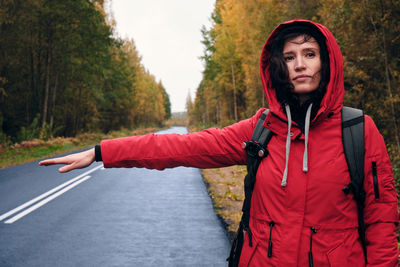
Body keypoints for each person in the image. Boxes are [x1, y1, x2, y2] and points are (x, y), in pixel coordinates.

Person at [39, 19, 399, 266]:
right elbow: (183, 147)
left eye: (309, 54)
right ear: (278, 68)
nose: (299, 65)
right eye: (289, 57)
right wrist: (104, 151)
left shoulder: (359, 131)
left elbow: (381, 222)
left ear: (327, 61)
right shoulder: (262, 130)